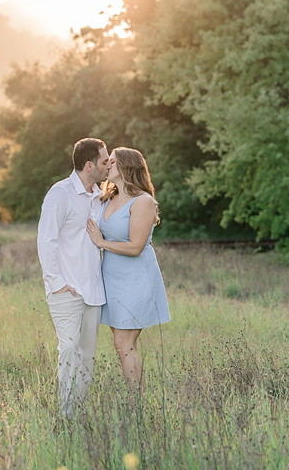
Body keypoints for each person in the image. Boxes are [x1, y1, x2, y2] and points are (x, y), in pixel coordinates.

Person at [85, 147, 171, 393]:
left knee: (125, 342)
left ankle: (135, 403)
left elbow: (135, 247)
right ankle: (134, 396)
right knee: (119, 342)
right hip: (111, 278)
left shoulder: (143, 201)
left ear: (126, 166)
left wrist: (101, 243)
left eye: (112, 161)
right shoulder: (106, 198)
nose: (107, 165)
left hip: (136, 279)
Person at [37, 137, 110, 419]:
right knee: (68, 348)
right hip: (66, 290)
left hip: (93, 290)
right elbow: (47, 241)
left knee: (87, 358)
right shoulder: (61, 194)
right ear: (90, 165)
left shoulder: (101, 195)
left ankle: (77, 413)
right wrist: (56, 284)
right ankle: (65, 416)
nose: (108, 166)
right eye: (104, 161)